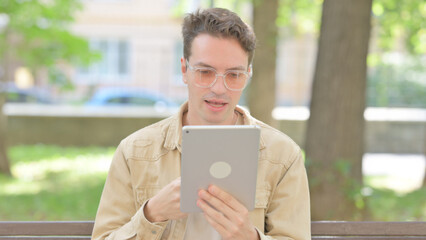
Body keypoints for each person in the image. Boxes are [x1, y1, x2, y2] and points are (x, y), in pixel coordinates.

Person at [92, 7, 310, 240]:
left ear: (247, 75)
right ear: (185, 69)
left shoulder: (283, 157)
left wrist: (250, 238)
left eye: (234, 75)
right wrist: (151, 214)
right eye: (205, 72)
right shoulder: (134, 152)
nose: (218, 88)